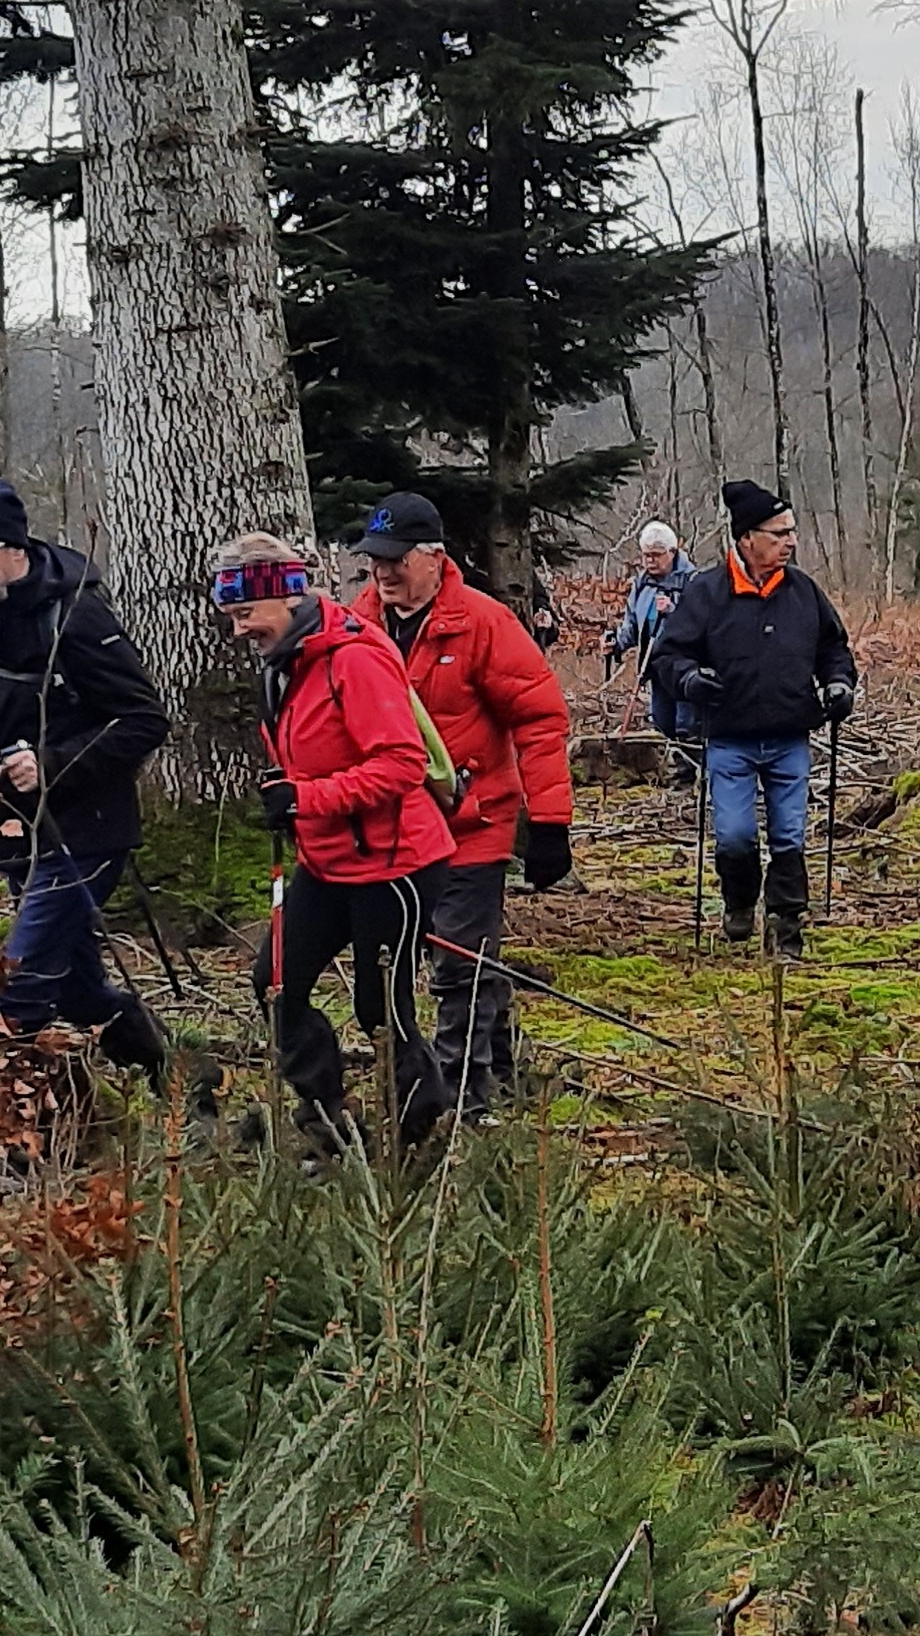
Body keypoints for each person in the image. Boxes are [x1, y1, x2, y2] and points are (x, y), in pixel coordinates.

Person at [0, 479, 172, 1079]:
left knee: (18, 988)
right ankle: (179, 1075)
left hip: (86, 834)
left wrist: (50, 764)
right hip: (14, 833)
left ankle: (5, 1145)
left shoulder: (74, 615)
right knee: (80, 995)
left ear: (14, 549)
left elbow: (142, 720)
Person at [213, 529, 454, 1148]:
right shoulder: (285, 664)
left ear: (287, 597)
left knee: (382, 1011)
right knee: (276, 985)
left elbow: (402, 763)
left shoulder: (353, 657)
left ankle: (419, 1133)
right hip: (326, 860)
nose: (239, 630)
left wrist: (308, 799)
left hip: (394, 862)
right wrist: (286, 793)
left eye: (246, 614)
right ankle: (328, 1121)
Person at [354, 491, 575, 1124]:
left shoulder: (482, 622)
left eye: (397, 560)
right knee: (432, 959)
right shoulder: (357, 626)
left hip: (473, 821)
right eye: (375, 560)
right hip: (392, 826)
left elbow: (539, 718)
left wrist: (552, 823)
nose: (384, 573)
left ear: (434, 557)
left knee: (458, 961)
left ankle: (463, 1104)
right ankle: (501, 1072)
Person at [647, 481, 858, 956]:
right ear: (747, 538)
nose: (791, 541)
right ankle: (739, 902)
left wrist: (840, 685)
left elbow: (833, 648)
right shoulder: (707, 592)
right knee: (736, 836)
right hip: (729, 737)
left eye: (792, 532)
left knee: (789, 835)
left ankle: (787, 927)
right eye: (779, 533)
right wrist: (690, 683)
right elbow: (670, 654)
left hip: (790, 734)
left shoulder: (803, 591)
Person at [605, 521, 704, 737]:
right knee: (660, 722)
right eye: (646, 555)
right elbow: (632, 621)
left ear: (672, 551)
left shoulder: (693, 581)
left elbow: (702, 622)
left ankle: (686, 767)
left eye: (656, 555)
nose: (650, 561)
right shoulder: (642, 584)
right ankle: (664, 766)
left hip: (686, 666)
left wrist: (672, 610)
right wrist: (617, 644)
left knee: (686, 725)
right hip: (656, 664)